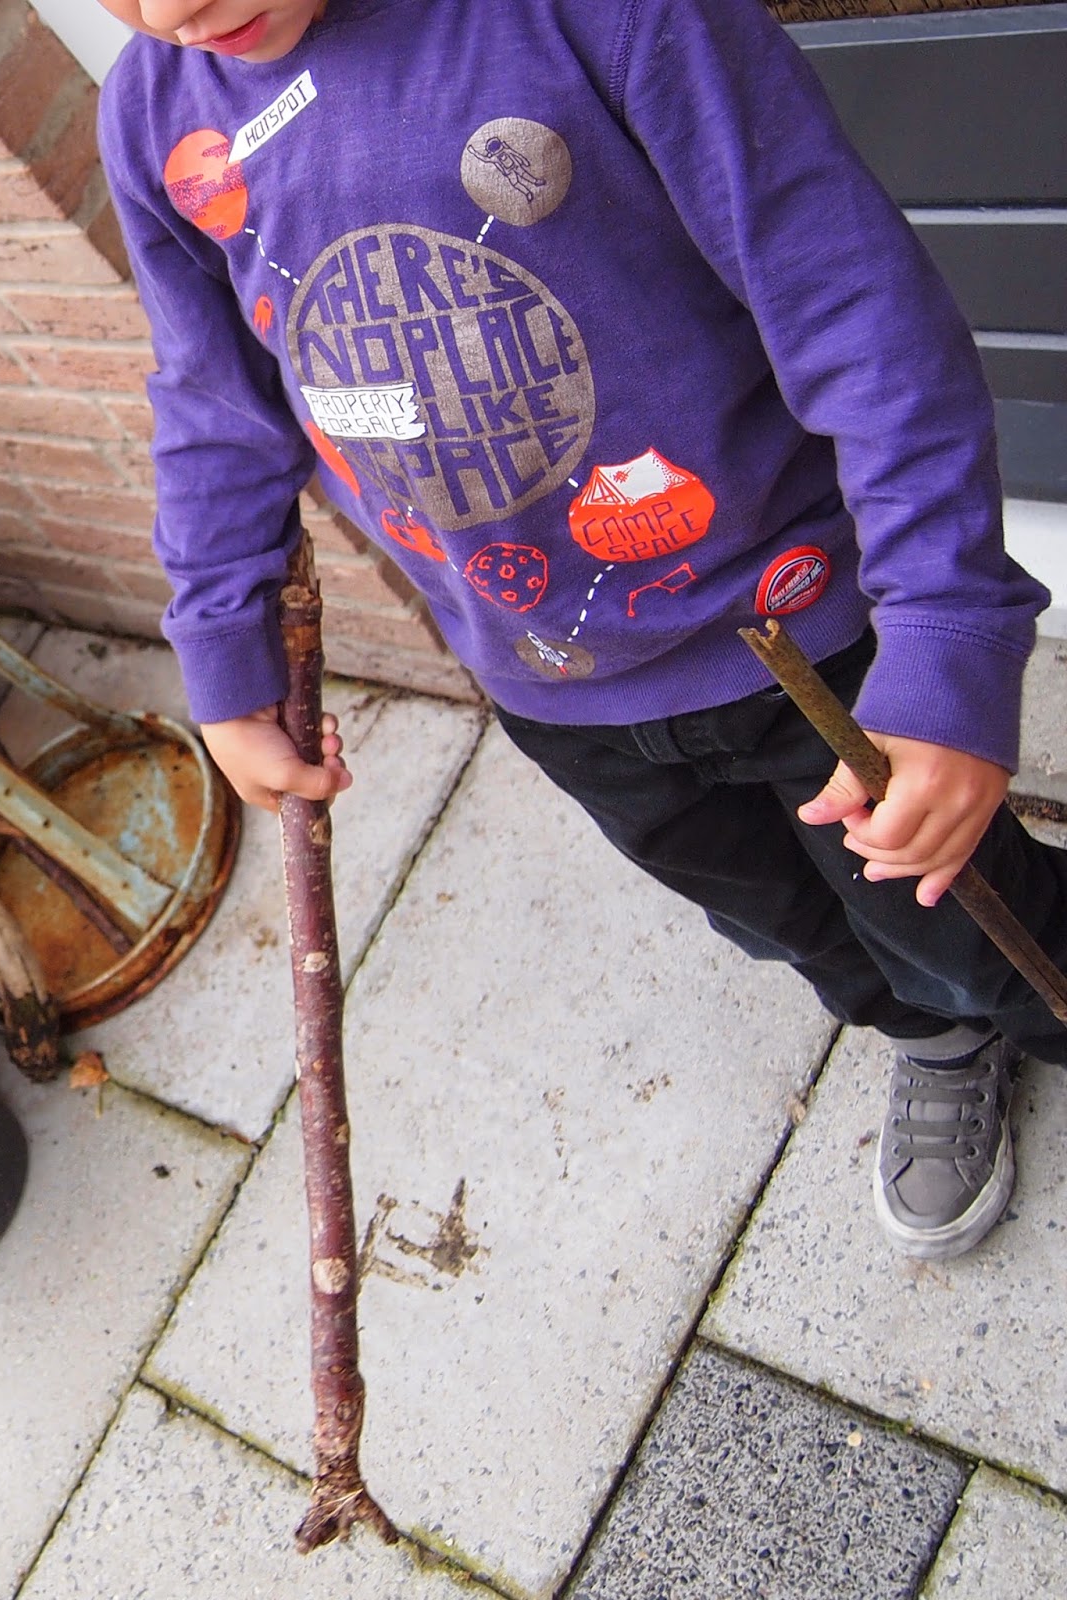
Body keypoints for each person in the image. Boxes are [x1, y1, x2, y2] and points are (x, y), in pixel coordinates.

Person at [92, 0, 1067, 1260]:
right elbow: (213, 401)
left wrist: (944, 625)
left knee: (953, 902)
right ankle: (933, 1034)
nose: (169, 9)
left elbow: (851, 303)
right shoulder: (152, 113)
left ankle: (1025, 1004)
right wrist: (223, 653)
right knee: (775, 914)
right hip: (557, 691)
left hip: (804, 637)